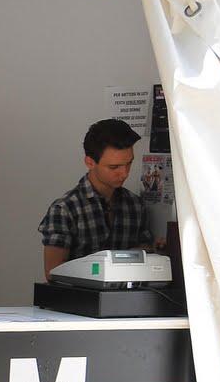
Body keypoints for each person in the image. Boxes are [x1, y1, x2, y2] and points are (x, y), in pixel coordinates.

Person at [38, 118, 155, 281]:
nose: (125, 173)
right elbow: (53, 273)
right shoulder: (65, 210)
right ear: (90, 162)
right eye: (114, 167)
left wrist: (156, 251)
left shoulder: (135, 205)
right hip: (78, 295)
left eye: (129, 163)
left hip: (126, 294)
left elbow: (145, 260)